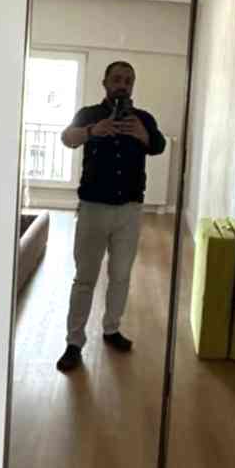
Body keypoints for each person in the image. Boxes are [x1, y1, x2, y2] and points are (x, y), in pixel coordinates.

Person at [55, 61, 165, 373]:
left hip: (129, 210)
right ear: (105, 83)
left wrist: (143, 135)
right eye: (117, 79)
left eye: (128, 80)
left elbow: (158, 146)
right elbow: (67, 138)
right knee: (85, 278)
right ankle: (74, 342)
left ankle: (111, 329)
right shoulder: (89, 114)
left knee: (121, 275)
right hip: (93, 208)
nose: (122, 85)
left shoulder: (144, 119)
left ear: (132, 86)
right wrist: (93, 131)